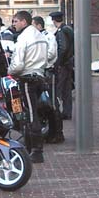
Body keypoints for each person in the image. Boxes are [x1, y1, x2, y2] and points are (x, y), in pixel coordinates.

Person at [7, 11, 49, 163]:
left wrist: (9, 70)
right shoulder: (41, 36)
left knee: (30, 114)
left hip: (27, 79)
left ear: (24, 21)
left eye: (15, 21)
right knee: (33, 111)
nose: (14, 24)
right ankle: (31, 146)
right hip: (39, 76)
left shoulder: (23, 38)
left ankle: (36, 150)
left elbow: (17, 64)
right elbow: (50, 56)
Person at [33, 16, 63, 144]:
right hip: (39, 73)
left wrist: (37, 58)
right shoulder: (36, 37)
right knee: (43, 103)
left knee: (52, 102)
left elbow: (51, 54)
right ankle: (49, 131)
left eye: (33, 25)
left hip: (48, 72)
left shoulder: (49, 37)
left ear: (39, 25)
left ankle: (57, 133)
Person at [50, 11, 74, 120]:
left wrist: (57, 62)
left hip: (63, 64)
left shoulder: (61, 32)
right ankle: (67, 112)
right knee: (67, 89)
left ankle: (57, 112)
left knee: (58, 89)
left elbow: (62, 48)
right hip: (69, 63)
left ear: (54, 20)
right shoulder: (69, 29)